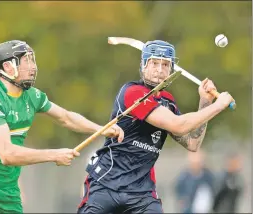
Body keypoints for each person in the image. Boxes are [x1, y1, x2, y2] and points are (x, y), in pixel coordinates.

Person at [0, 40, 124, 213]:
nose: (33, 67)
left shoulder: (31, 95)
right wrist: (53, 155)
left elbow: (66, 117)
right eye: (26, 61)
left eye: (32, 60)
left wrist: (102, 129)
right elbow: (7, 154)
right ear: (7, 66)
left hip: (7, 185)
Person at [77, 40, 235, 214]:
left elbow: (192, 144)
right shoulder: (132, 92)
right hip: (106, 184)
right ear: (144, 65)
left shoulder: (168, 102)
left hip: (142, 194)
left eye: (165, 64)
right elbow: (178, 125)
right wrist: (218, 106)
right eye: (154, 63)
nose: (159, 70)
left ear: (171, 70)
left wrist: (205, 102)